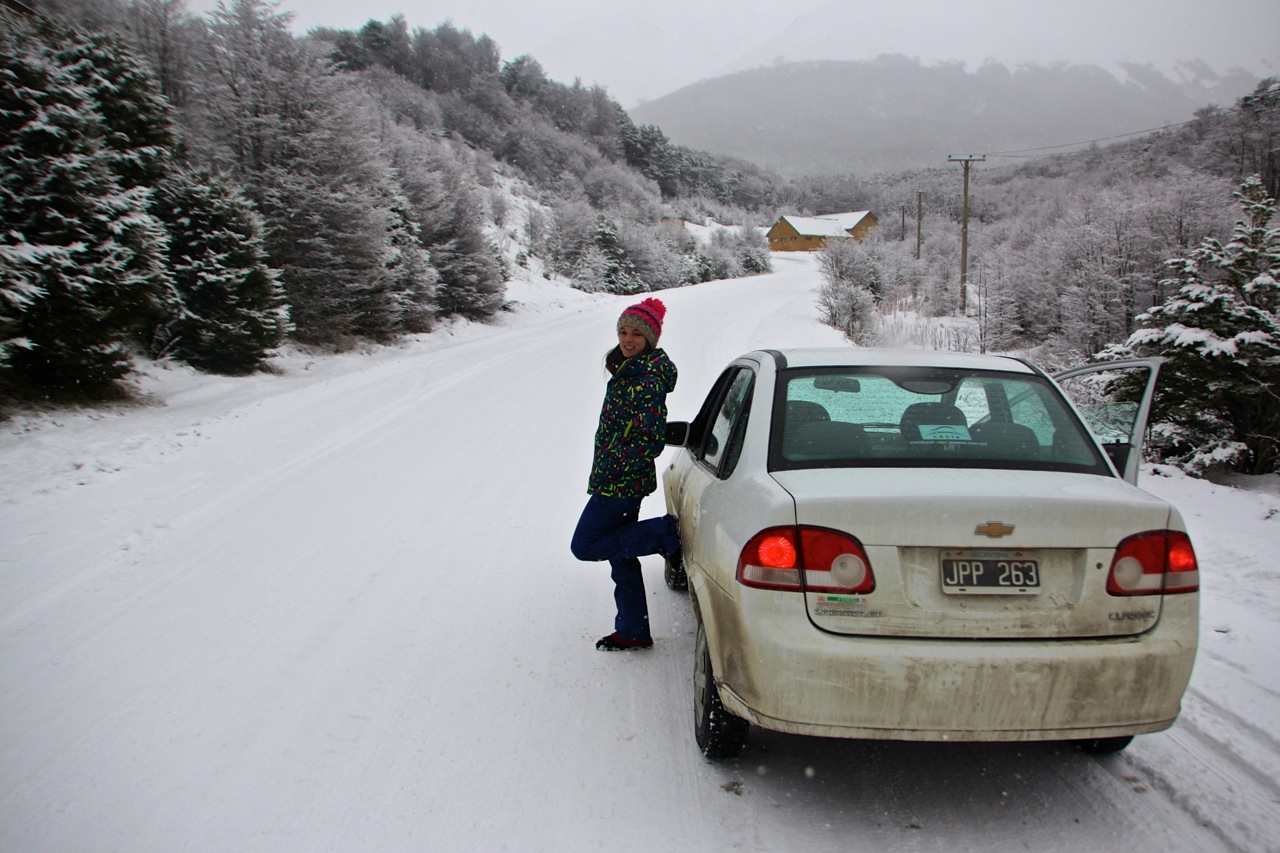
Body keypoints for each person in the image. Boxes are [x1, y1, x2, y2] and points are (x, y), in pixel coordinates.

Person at [571, 297, 680, 651]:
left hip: (621, 482)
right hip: (615, 476)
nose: (628, 339)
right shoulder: (629, 368)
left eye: (637, 333)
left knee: (585, 545)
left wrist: (616, 464)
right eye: (623, 331)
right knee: (620, 554)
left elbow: (650, 439)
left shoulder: (646, 378)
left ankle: (665, 534)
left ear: (651, 338)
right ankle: (633, 628)